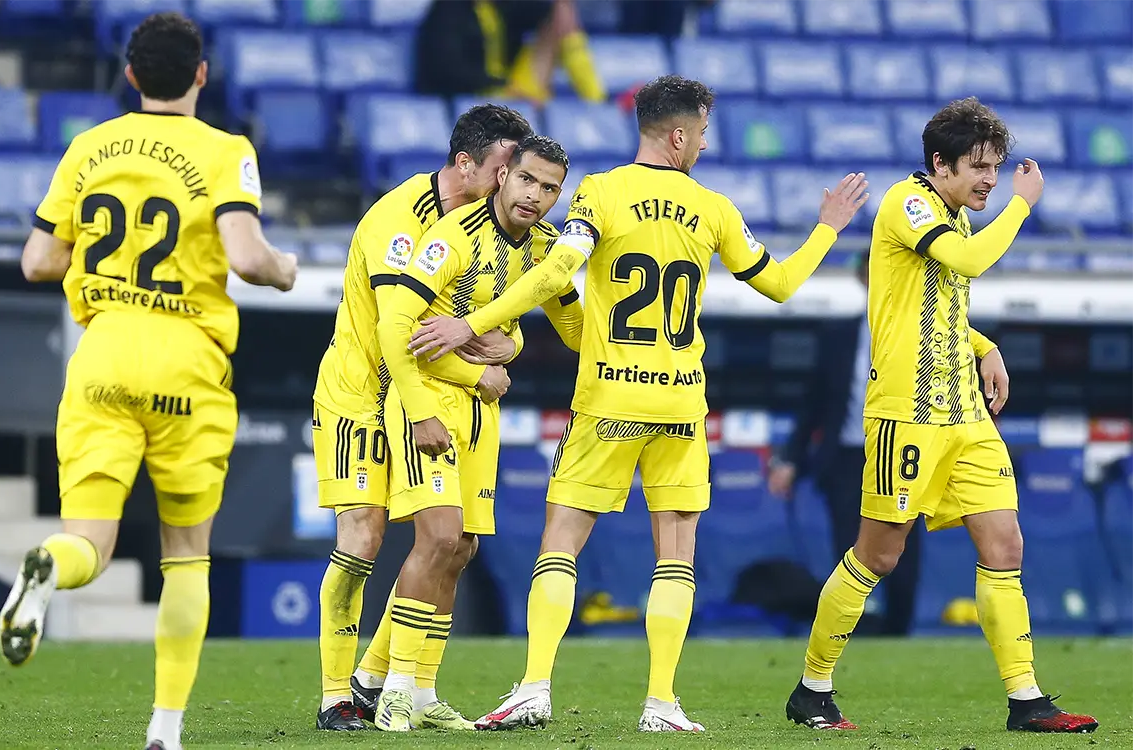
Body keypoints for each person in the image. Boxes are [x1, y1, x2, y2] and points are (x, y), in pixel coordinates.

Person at [408, 74, 868, 733]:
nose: (704, 145)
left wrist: (469, 322)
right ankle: (661, 703)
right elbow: (781, 284)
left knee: (562, 542)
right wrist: (826, 229)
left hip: (609, 399)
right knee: (675, 554)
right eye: (702, 133)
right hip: (679, 405)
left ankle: (534, 687)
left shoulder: (600, 193)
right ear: (678, 136)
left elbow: (554, 273)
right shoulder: (714, 209)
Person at [0, 13, 297, 750]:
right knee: (186, 553)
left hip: (102, 351)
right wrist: (285, 270)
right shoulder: (225, 150)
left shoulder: (88, 146)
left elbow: (37, 261)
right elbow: (247, 257)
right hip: (185, 356)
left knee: (89, 542)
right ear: (201, 75)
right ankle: (165, 729)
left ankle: (48, 566)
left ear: (130, 76)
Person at [783, 97, 1098, 734]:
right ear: (940, 163)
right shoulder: (909, 203)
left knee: (1005, 544)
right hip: (907, 414)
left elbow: (936, 303)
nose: (990, 179)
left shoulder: (952, 213)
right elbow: (968, 263)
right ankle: (812, 689)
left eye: (997, 167)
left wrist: (984, 345)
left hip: (966, 415)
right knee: (878, 556)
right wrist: (1022, 204)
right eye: (978, 166)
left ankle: (1026, 700)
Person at [310, 104, 533, 731]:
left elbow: (497, 322)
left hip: (424, 394)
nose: (511, 182)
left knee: (450, 545)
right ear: (465, 163)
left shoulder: (488, 229)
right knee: (362, 538)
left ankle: (375, 679)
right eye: (503, 168)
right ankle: (335, 697)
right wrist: (479, 374)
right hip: (362, 395)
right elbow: (398, 334)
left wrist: (510, 346)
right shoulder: (399, 222)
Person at [372, 134, 582, 732]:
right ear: (504, 176)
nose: (535, 196)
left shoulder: (543, 250)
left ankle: (422, 691)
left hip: (481, 410)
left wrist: (514, 343)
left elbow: (576, 331)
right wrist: (421, 410)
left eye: (549, 188)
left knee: (462, 548)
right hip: (427, 401)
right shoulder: (454, 236)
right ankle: (393, 691)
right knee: (438, 538)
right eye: (527, 180)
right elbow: (395, 328)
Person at [768, 252, 1011, 637]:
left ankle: (899, 629)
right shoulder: (837, 336)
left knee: (903, 543)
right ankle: (844, 631)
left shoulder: (926, 331)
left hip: (905, 449)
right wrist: (790, 459)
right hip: (847, 455)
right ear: (863, 279)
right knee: (849, 544)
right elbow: (814, 404)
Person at [414, 0, 604, 104]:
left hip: (508, 90)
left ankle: (596, 100)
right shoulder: (447, 10)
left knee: (560, 11)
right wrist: (501, 84)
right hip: (473, 94)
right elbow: (446, 69)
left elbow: (550, 14)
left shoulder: (501, 6)